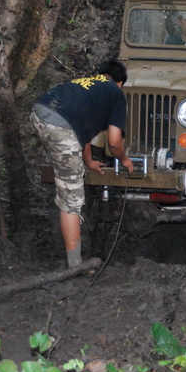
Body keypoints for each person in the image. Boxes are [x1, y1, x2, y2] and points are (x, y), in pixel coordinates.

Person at [30, 59, 134, 269]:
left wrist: (89, 162)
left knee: (68, 176)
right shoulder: (115, 94)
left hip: (38, 113)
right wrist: (124, 159)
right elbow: (114, 142)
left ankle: (74, 259)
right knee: (72, 201)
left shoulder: (86, 84)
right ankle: (75, 266)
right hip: (60, 125)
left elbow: (82, 131)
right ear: (120, 83)